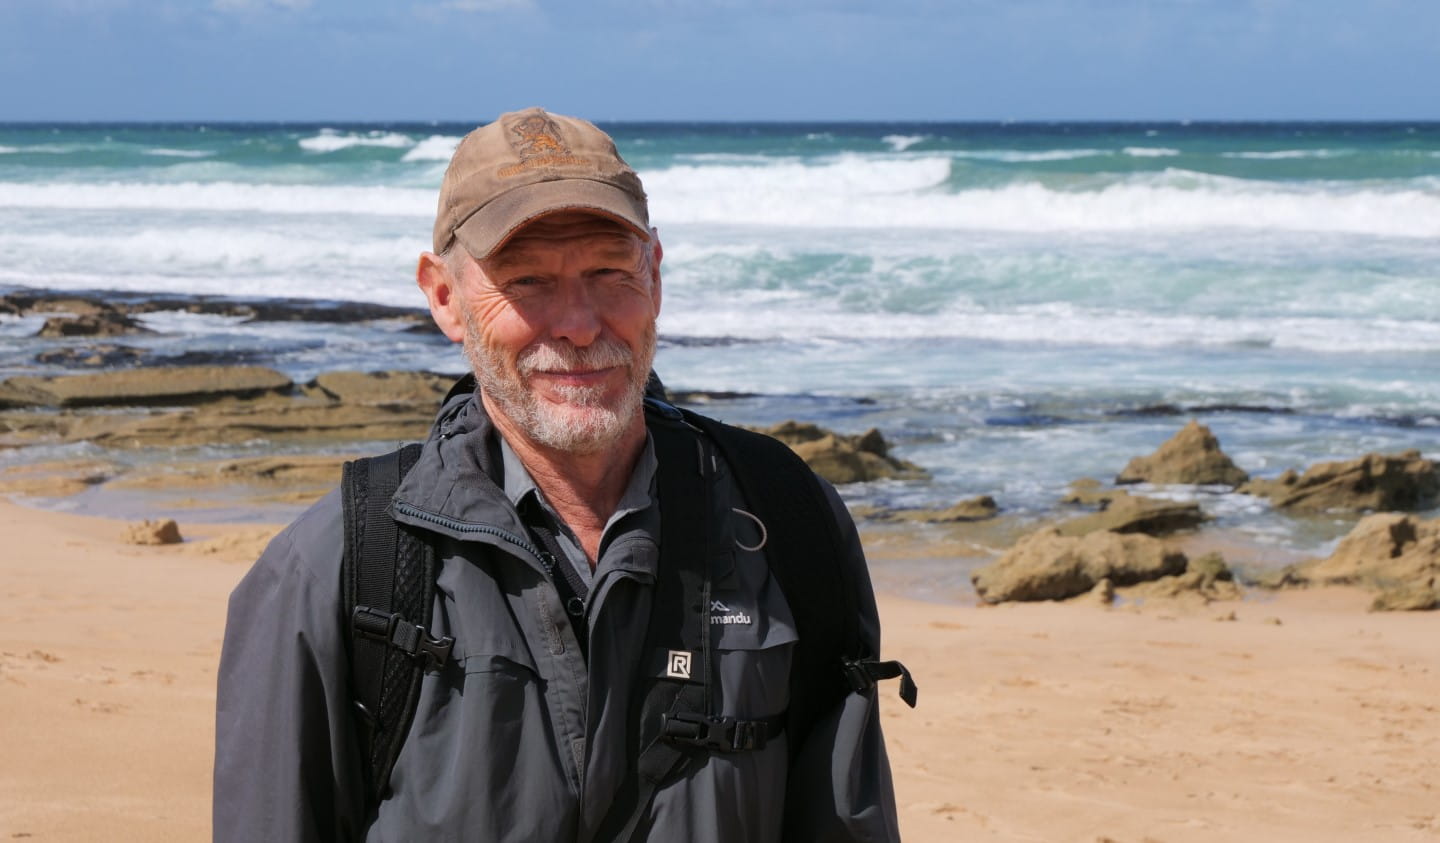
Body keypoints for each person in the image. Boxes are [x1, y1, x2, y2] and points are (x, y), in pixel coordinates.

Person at [214, 107, 903, 842]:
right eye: (529, 280)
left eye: (610, 271)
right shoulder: (335, 569)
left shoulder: (787, 523)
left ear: (656, 274)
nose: (579, 323)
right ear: (444, 297)